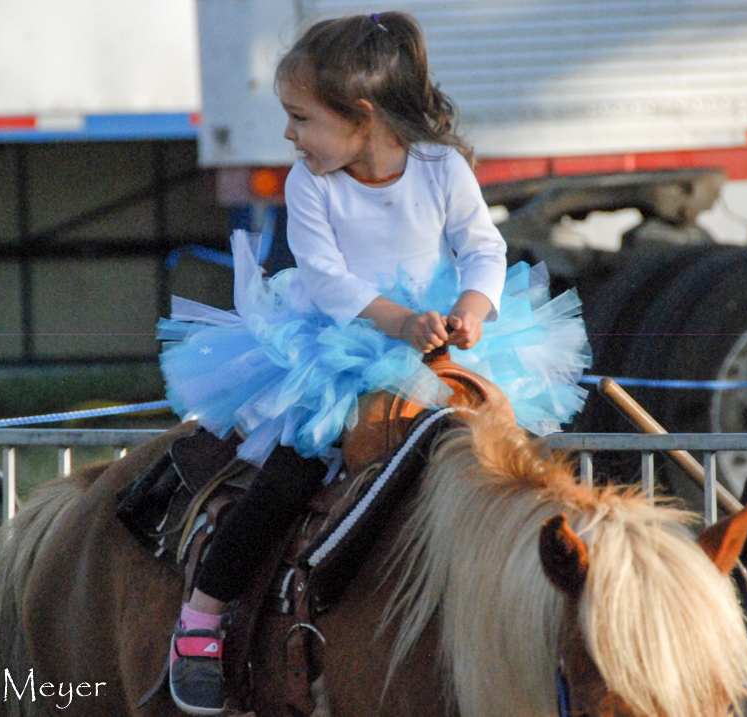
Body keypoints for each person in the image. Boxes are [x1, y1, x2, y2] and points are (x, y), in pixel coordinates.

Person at [156, 11, 590, 714]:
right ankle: (201, 618)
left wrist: (475, 308)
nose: (291, 136)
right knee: (292, 475)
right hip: (343, 340)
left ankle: (521, 621)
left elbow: (484, 248)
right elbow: (326, 278)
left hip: (439, 341)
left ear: (362, 118)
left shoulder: (442, 168)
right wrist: (396, 320)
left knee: (506, 469)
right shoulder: (310, 184)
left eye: (301, 118)